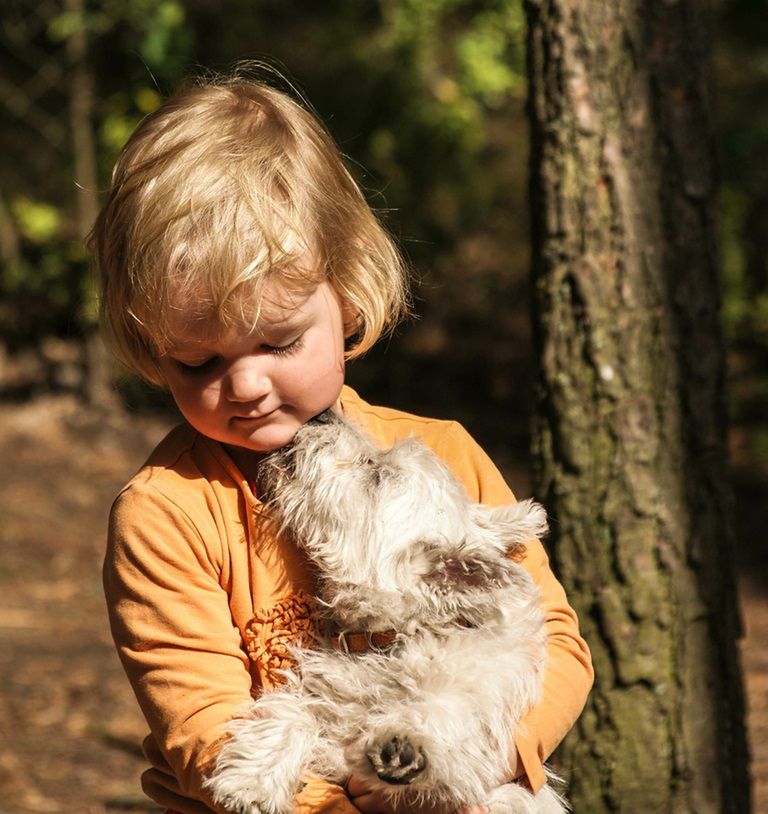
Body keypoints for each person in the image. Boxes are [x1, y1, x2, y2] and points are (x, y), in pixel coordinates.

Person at [88, 70, 593, 814]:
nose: (246, 385)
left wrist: (481, 756)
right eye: (197, 362)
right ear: (150, 348)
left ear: (347, 292)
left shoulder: (444, 455)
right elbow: (205, 730)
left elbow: (552, 641)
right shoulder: (166, 514)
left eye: (279, 342)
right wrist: (354, 801)